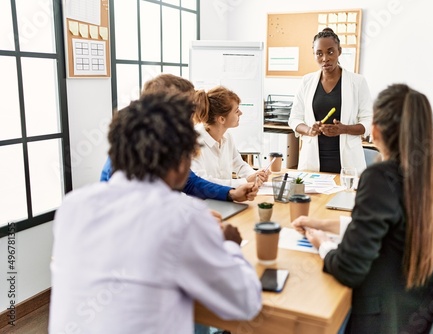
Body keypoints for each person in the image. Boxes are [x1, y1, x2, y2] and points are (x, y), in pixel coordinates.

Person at [49, 92, 262, 333]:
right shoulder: (184, 217)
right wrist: (230, 246)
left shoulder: (72, 207)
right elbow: (245, 303)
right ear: (183, 162)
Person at [292, 84, 433, 333]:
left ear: (374, 131)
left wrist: (323, 244)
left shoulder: (379, 176)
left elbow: (348, 269)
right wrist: (320, 224)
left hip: (389, 318)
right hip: (430, 309)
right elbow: (391, 229)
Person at [100, 74, 258, 203]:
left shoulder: (168, 143)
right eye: (188, 108)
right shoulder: (132, 149)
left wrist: (230, 193)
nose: (193, 116)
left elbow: (190, 182)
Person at [288, 27, 372, 174]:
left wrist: (344, 129)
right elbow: (294, 119)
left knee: (347, 196)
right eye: (319, 53)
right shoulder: (306, 81)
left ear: (339, 51)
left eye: (330, 52)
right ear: (314, 54)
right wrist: (309, 129)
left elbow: (368, 121)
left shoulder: (357, 82)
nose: (325, 58)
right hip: (312, 161)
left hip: (347, 162)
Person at [191, 86, 271, 187]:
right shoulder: (194, 142)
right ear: (222, 119)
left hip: (223, 199)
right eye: (236, 111)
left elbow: (239, 164)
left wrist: (255, 176)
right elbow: (202, 182)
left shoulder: (227, 137)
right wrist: (245, 181)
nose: (241, 113)